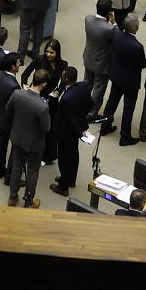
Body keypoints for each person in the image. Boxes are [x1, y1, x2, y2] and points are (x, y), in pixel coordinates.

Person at [3, 82, 51, 207]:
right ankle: (29, 202)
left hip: (18, 137)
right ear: (44, 84)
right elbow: (46, 128)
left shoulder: (17, 94)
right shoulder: (43, 106)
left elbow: (8, 110)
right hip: (34, 143)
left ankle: (12, 197)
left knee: (16, 167)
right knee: (32, 171)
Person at [49, 66, 90, 195]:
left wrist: (80, 133)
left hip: (65, 132)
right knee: (73, 155)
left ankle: (63, 187)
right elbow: (91, 103)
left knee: (64, 159)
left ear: (66, 79)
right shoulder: (83, 87)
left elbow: (70, 120)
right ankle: (71, 179)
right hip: (76, 129)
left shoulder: (66, 99)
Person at [107, 14, 146, 137]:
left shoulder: (117, 35)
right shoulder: (137, 47)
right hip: (130, 82)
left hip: (117, 76)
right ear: (134, 28)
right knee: (128, 108)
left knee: (112, 102)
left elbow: (115, 30)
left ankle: (105, 126)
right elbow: (143, 64)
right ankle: (125, 136)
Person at [82, 0, 117, 117]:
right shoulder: (110, 29)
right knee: (98, 88)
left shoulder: (88, 19)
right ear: (109, 13)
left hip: (88, 58)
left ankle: (82, 106)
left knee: (87, 84)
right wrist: (113, 22)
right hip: (102, 64)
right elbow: (118, 35)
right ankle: (92, 113)